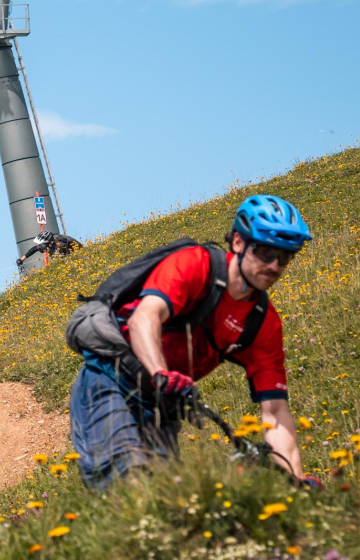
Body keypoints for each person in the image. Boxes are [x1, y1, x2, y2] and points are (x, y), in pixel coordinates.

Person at [68, 194, 320, 491]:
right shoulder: (195, 265)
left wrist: (296, 479)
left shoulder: (262, 322)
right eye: (265, 252)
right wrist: (160, 373)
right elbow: (145, 317)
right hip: (110, 379)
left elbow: (275, 412)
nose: (275, 265)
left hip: (162, 402)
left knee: (167, 494)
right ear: (239, 242)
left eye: (285, 257)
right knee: (126, 480)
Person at [16, 230, 83, 268]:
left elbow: (75, 244)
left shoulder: (61, 242)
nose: (40, 246)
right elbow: (34, 249)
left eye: (42, 244)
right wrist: (21, 259)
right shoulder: (47, 247)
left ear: (49, 243)